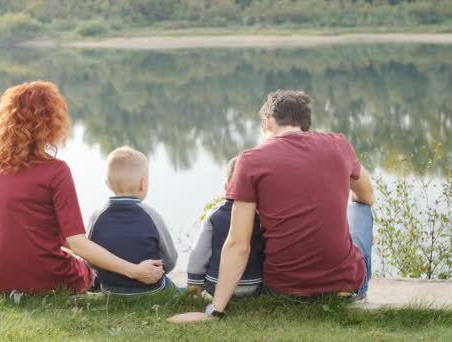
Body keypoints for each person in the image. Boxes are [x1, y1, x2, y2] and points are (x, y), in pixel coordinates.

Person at [169, 90, 374, 323]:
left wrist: (215, 310)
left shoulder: (250, 160)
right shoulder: (338, 144)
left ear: (267, 122)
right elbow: (367, 196)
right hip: (346, 288)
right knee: (360, 209)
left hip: (284, 290)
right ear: (305, 123)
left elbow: (238, 244)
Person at [0, 81, 164, 295]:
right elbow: (77, 243)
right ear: (51, 122)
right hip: (46, 279)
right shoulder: (56, 171)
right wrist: (134, 270)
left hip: (1, 276)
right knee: (86, 270)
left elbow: (28, 228)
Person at [88, 146, 178, 296]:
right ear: (143, 184)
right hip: (151, 287)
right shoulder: (152, 215)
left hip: (110, 288)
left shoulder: (97, 215)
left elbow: (91, 257)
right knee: (178, 292)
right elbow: (170, 258)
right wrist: (159, 271)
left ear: (108, 184)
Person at [186, 156, 263, 297]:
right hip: (254, 284)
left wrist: (194, 282)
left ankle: (207, 296)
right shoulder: (261, 215)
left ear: (226, 187)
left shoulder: (215, 214)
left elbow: (199, 253)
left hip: (217, 285)